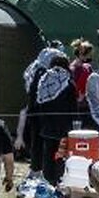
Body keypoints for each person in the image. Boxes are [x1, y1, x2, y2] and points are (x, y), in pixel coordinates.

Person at [33, 54, 77, 185]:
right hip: (64, 127)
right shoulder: (68, 83)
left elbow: (39, 103)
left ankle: (48, 181)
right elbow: (73, 108)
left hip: (47, 125)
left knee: (48, 154)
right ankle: (59, 181)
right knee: (61, 155)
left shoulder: (44, 81)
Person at [69, 39, 94, 106]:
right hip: (78, 102)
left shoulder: (87, 67)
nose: (90, 56)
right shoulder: (73, 69)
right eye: (89, 54)